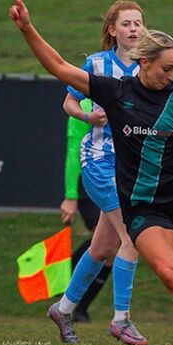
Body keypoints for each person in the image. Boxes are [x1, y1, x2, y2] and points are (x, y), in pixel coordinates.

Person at [9, 0, 173, 345]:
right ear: (143, 61)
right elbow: (58, 66)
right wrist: (27, 27)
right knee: (163, 266)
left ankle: (66, 306)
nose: (172, 76)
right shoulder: (112, 87)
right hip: (138, 200)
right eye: (167, 69)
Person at [48, 0, 147, 345]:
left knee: (102, 247)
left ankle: (63, 309)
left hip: (130, 167)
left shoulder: (147, 67)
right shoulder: (97, 63)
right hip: (99, 162)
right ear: (112, 30)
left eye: (138, 23)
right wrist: (88, 116)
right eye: (126, 24)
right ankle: (121, 320)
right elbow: (68, 102)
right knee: (132, 236)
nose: (134, 29)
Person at [60, 97, 105, 323]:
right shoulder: (84, 106)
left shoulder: (124, 96)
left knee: (111, 248)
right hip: (88, 179)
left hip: (113, 177)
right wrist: (70, 196)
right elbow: (73, 150)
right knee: (105, 238)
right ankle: (66, 286)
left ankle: (79, 308)